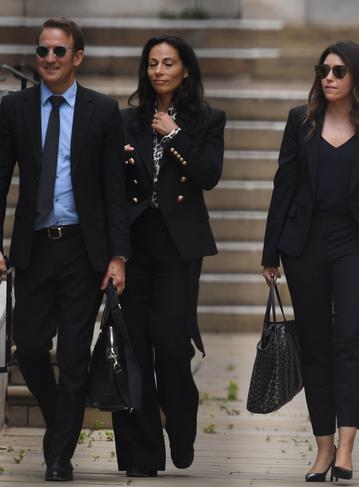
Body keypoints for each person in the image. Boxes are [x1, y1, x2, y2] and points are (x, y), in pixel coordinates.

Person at [0, 17, 129, 481]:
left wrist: (118, 256)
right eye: (42, 51)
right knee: (30, 347)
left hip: (82, 250)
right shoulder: (15, 107)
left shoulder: (101, 110)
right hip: (34, 249)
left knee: (74, 354)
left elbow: (114, 189)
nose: (49, 59)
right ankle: (61, 423)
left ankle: (60, 457)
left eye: (58, 51)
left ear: (77, 57)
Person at [261, 40, 359, 482]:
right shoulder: (302, 121)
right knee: (315, 344)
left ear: (357, 77)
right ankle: (323, 447)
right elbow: (284, 185)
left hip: (355, 245)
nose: (329, 78)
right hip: (305, 244)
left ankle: (347, 447)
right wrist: (270, 252)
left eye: (339, 71)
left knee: (351, 340)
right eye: (324, 70)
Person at [111, 35, 225, 477]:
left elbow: (209, 175)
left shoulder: (208, 120)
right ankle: (142, 455)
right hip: (134, 242)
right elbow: (112, 187)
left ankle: (180, 418)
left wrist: (174, 135)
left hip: (180, 245)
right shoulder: (125, 121)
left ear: (186, 71)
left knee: (172, 345)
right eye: (152, 63)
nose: (159, 70)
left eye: (168, 63)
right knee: (134, 346)